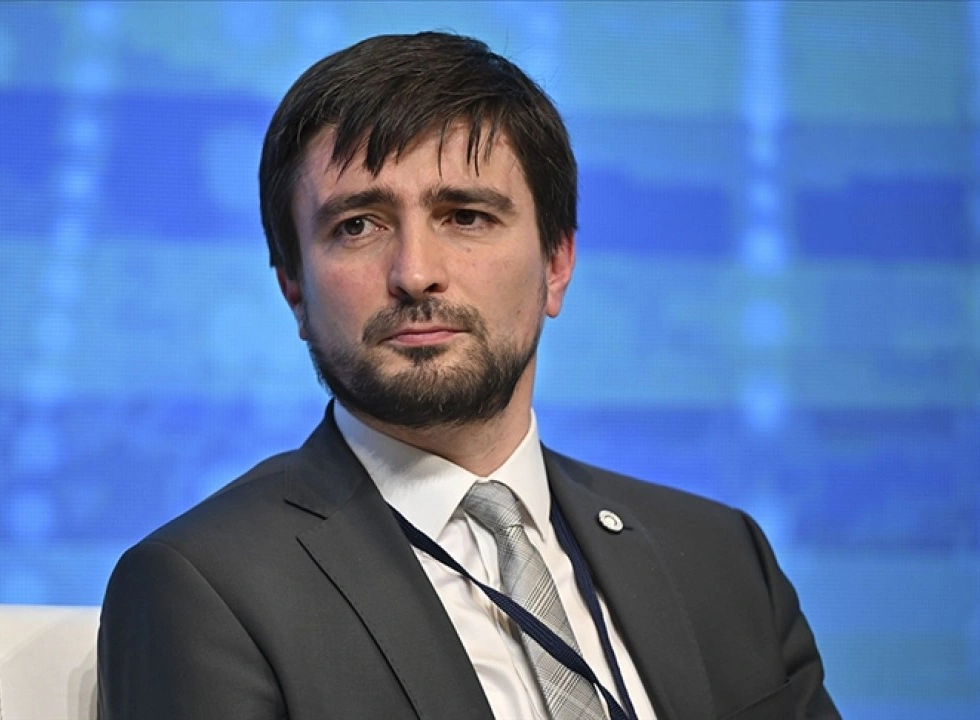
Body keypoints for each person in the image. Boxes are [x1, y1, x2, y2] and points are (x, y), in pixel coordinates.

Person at [98, 31, 839, 720]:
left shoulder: (720, 557)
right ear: (294, 287)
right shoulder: (206, 586)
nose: (416, 272)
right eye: (357, 225)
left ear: (557, 263)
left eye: (466, 216)